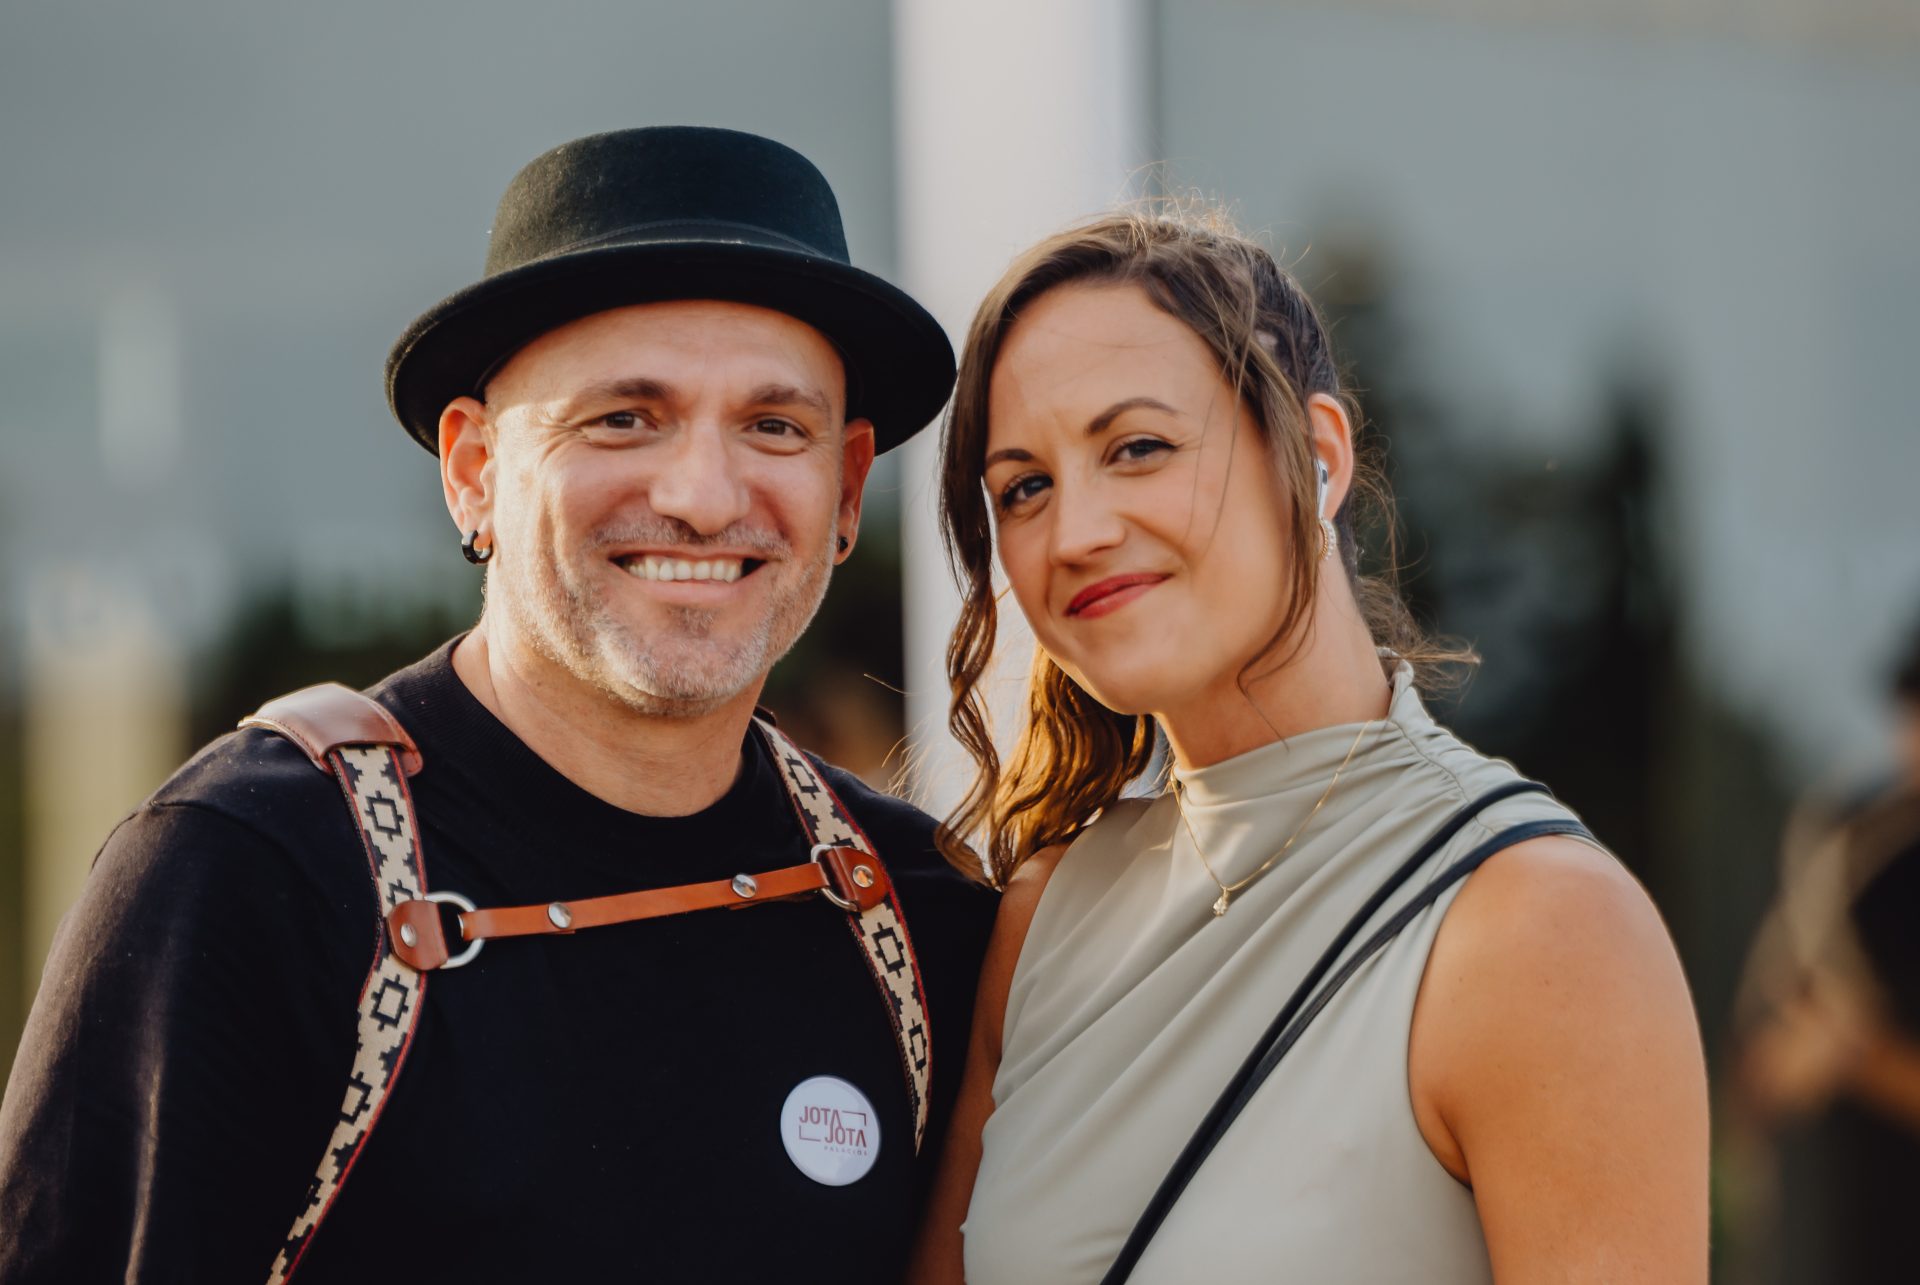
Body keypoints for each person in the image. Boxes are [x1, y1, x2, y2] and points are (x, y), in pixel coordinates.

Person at [0, 126, 994, 1283]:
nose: (703, 494)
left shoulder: (916, 914)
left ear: (848, 486)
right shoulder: (257, 872)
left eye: (775, 426)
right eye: (624, 417)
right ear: (474, 469)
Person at [909, 207, 1709, 1283]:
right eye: (1025, 487)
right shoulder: (1046, 917)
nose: (1076, 531)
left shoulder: (1537, 927)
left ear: (1319, 454)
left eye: (1138, 447)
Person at [1732, 612, 1920, 1283]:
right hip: (1835, 1233)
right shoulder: (1862, 851)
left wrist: (1855, 1053)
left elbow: (1848, 1045)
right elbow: (1762, 1056)